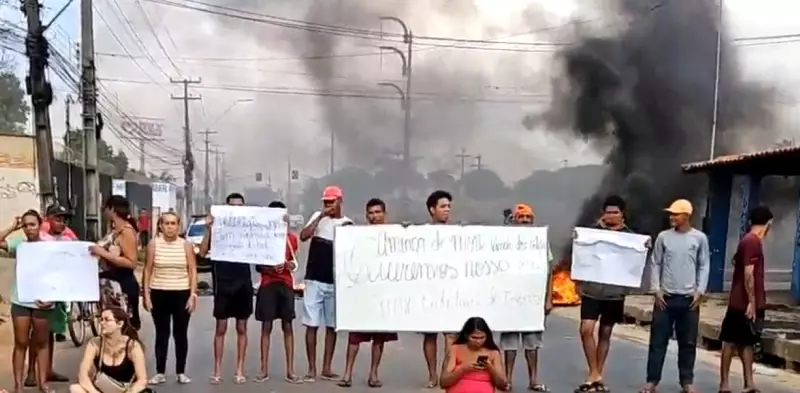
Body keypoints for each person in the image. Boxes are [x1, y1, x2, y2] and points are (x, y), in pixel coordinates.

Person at [640, 199, 710, 393]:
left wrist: (700, 291)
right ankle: (652, 380)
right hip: (665, 299)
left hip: (689, 299)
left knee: (688, 343)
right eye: (671, 214)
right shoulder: (663, 237)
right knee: (658, 341)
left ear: (686, 216)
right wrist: (656, 289)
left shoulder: (699, 238)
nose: (671, 217)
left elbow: (704, 264)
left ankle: (686, 381)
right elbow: (655, 263)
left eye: (675, 214)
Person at [575, 195, 639, 393]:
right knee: (586, 330)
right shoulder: (592, 233)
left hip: (614, 293)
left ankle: (596, 376)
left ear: (622, 215)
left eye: (615, 212)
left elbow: (635, 261)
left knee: (605, 332)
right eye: (608, 212)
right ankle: (594, 372)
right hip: (592, 290)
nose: (611, 216)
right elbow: (581, 253)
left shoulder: (631, 238)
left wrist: (643, 248)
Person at [338, 198, 398, 388]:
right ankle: (347, 373)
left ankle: (373, 373)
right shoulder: (358, 235)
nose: (374, 216)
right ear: (366, 215)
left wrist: (406, 231)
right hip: (362, 292)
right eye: (371, 213)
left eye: (377, 212)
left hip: (383, 292)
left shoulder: (394, 234)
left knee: (379, 338)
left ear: (384, 214)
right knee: (355, 336)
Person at [299, 185, 353, 382]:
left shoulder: (348, 224)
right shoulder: (317, 217)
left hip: (334, 281)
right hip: (314, 278)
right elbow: (303, 236)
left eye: (331, 202)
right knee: (311, 324)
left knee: (331, 326)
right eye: (325, 202)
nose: (328, 205)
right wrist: (321, 216)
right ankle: (311, 368)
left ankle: (326, 367)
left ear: (340, 201)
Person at [199, 192, 253, 384]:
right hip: (223, 281)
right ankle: (217, 371)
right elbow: (202, 252)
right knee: (221, 327)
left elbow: (267, 246)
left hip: (243, 282)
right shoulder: (218, 228)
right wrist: (209, 229)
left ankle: (240, 370)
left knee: (242, 327)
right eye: (232, 206)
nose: (235, 209)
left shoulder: (250, 228)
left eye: (239, 206)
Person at [0, 211, 57, 393]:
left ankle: (43, 383)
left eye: (32, 224)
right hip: (21, 299)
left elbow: (60, 271)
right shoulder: (20, 244)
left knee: (42, 343)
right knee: (21, 342)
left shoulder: (50, 245)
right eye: (25, 225)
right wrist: (12, 227)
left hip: (43, 300)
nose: (28, 228)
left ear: (40, 225)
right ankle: (18, 386)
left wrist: (53, 298)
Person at [718, 206, 772, 393]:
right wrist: (752, 302)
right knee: (731, 341)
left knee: (747, 342)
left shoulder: (749, 241)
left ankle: (749, 382)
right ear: (768, 223)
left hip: (747, 301)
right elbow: (749, 273)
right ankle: (724, 383)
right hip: (742, 302)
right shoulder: (752, 242)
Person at [500, 204, 553, 391]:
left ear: (532, 220)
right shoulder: (504, 240)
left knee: (532, 343)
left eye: (527, 217)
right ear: (514, 219)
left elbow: (549, 270)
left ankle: (533, 380)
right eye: (520, 217)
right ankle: (507, 379)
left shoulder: (540, 241)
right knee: (510, 342)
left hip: (533, 297)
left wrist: (548, 298)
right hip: (511, 297)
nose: (524, 221)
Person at [22, 204, 76, 388]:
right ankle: (31, 373)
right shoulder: (41, 237)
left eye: (64, 219)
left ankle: (47, 369)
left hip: (57, 291)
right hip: (39, 291)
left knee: (50, 332)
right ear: (48, 219)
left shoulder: (68, 237)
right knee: (35, 334)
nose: (61, 222)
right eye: (57, 218)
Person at [142, 211, 198, 385]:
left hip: (181, 292)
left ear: (178, 226)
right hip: (159, 291)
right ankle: (160, 371)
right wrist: (146, 295)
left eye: (173, 223)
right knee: (162, 333)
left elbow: (192, 270)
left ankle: (181, 371)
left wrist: (193, 294)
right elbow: (147, 270)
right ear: (160, 226)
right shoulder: (153, 244)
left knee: (180, 334)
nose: (170, 227)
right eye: (166, 223)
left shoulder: (186, 245)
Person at [254, 200, 301, 383]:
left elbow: (294, 263)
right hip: (268, 284)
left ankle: (290, 370)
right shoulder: (262, 238)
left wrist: (287, 265)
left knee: (287, 326)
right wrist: (270, 268)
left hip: (286, 284)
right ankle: (263, 369)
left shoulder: (291, 239)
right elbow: (258, 266)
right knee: (266, 326)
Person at [69, 307, 151, 393]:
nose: (102, 323)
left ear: (119, 324)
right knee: (75, 389)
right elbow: (83, 375)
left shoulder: (132, 346)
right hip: (103, 390)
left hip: (127, 390)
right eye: (101, 319)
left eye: (107, 320)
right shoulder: (95, 344)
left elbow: (142, 380)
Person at [89, 195, 141, 330]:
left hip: (122, 285)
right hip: (109, 285)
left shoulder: (126, 232)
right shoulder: (114, 231)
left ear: (112, 209)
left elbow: (131, 262)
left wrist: (103, 253)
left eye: (105, 208)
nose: (104, 212)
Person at [422, 189, 456, 388]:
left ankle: (445, 373)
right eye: (443, 206)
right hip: (429, 290)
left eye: (449, 207)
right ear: (432, 209)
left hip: (451, 291)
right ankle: (432, 375)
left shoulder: (456, 232)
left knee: (451, 334)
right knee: (430, 334)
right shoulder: (422, 232)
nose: (447, 210)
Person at [440, 317, 509, 393]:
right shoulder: (455, 349)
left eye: (482, 338)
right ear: (466, 336)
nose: (478, 341)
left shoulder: (493, 353)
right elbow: (444, 382)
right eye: (474, 338)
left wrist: (491, 369)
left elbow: (503, 385)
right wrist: (463, 369)